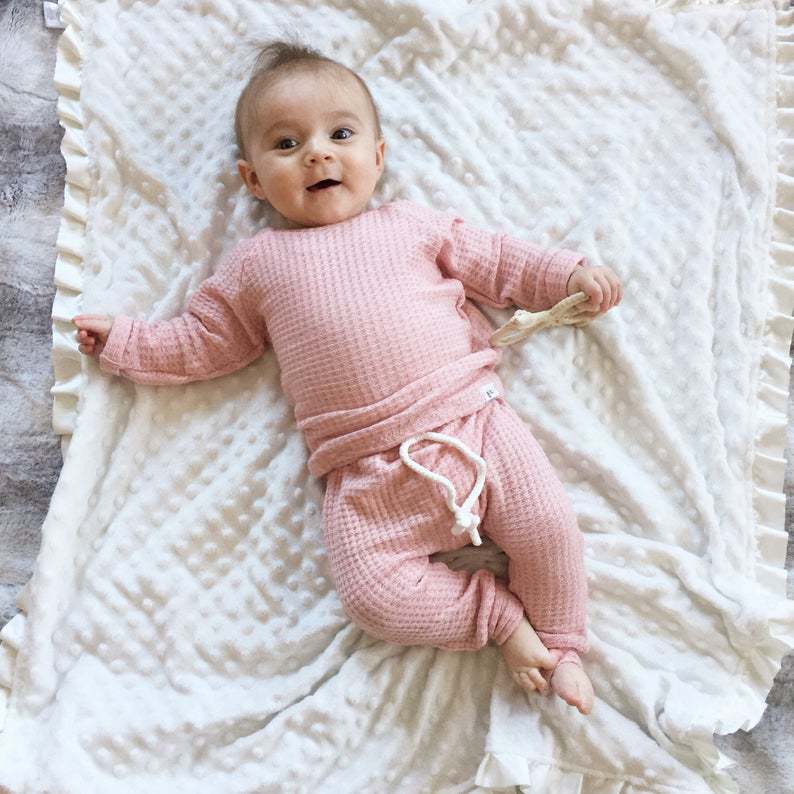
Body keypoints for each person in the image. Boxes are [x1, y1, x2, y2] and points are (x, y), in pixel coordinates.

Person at [72, 39, 623, 717]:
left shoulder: (411, 225)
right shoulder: (257, 265)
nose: (317, 155)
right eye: (286, 143)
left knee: (547, 525)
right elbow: (203, 341)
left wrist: (566, 275)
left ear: (378, 156)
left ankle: (562, 646)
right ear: (252, 180)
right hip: (365, 473)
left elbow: (500, 262)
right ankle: (500, 620)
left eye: (340, 135)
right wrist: (127, 341)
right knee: (374, 599)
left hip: (474, 424)